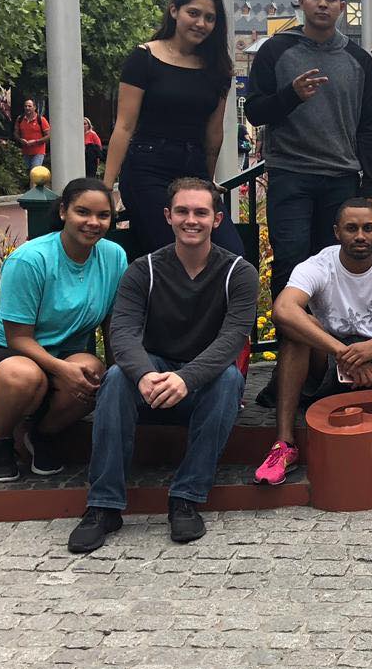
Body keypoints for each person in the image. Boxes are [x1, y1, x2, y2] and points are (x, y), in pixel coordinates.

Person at [71, 177, 258, 555]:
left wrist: (186, 379)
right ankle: (103, 506)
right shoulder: (144, 270)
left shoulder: (239, 273)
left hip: (205, 380)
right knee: (116, 377)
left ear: (217, 219)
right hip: (153, 374)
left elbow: (231, 340)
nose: (192, 220)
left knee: (228, 380)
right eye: (183, 211)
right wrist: (143, 374)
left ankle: (186, 498)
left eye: (201, 212)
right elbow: (123, 333)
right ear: (168, 216)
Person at [255, 200, 372, 493]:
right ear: (337, 232)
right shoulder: (319, 264)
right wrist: (341, 352)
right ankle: (284, 444)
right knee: (295, 334)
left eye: (368, 229)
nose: (360, 236)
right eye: (351, 228)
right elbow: (283, 309)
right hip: (329, 356)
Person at [0, 177, 128, 483]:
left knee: (94, 373)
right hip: (5, 356)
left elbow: (112, 322)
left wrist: (120, 375)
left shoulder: (114, 256)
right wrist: (62, 370)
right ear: (63, 211)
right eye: (82, 212)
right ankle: (1, 441)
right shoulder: (30, 259)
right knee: (25, 376)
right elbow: (17, 337)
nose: (93, 222)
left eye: (103, 215)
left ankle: (41, 435)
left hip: (64, 354)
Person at [245, 0, 372, 303]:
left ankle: (328, 338)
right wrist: (290, 96)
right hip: (290, 174)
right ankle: (290, 335)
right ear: (301, 1)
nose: (323, 4)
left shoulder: (359, 59)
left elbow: (370, 124)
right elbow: (255, 111)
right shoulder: (275, 50)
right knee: (290, 263)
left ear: (341, 7)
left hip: (341, 177)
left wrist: (371, 185)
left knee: (336, 266)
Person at [104, 0, 244, 259]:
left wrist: (207, 182)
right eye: (193, 13)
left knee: (231, 253)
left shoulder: (218, 67)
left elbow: (214, 132)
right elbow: (125, 125)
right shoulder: (144, 58)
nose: (201, 23)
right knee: (173, 252)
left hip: (194, 170)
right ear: (174, 11)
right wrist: (106, 187)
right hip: (148, 168)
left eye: (210, 18)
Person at [14, 99, 51, 171]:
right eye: (25, 106)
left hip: (38, 152)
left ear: (34, 107)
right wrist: (20, 140)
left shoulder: (41, 119)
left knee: (34, 172)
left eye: (29, 106)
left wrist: (36, 141)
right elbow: (15, 133)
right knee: (25, 172)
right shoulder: (20, 119)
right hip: (25, 152)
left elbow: (48, 135)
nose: (27, 108)